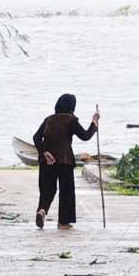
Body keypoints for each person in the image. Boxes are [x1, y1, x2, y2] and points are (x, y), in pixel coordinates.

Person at [33, 93, 99, 228]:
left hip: (47, 161)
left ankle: (42, 210)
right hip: (65, 160)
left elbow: (36, 137)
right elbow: (85, 136)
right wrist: (94, 121)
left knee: (47, 189)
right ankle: (63, 222)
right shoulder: (70, 119)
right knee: (66, 191)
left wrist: (45, 152)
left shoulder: (48, 119)